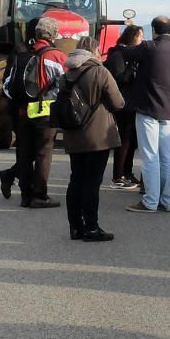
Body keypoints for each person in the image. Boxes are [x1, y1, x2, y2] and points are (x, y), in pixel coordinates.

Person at [123, 16, 170, 213]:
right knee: (168, 157)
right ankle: (168, 201)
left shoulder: (148, 47)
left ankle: (150, 200)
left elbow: (126, 52)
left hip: (147, 109)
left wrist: (129, 30)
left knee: (150, 157)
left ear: (153, 30)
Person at [62, 37, 126, 241]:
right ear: (95, 50)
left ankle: (75, 227)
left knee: (76, 180)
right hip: (98, 135)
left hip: (73, 133)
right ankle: (91, 227)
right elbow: (118, 103)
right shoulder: (100, 71)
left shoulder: (68, 73)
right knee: (92, 182)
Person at [3, 17, 67, 209]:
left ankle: (25, 196)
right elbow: (64, 86)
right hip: (46, 114)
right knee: (43, 153)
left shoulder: (21, 54)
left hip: (23, 112)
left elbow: (7, 85)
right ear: (54, 35)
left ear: (36, 33)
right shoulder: (57, 56)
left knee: (24, 153)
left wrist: (20, 102)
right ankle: (39, 196)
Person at [104, 24, 143, 190]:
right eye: (140, 36)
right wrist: (132, 72)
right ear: (132, 37)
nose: (142, 40)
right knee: (125, 140)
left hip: (131, 102)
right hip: (123, 104)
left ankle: (127, 172)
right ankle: (118, 176)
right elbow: (117, 78)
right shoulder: (119, 55)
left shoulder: (127, 54)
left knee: (131, 141)